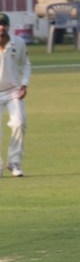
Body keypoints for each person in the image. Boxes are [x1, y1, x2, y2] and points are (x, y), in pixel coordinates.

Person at [0, 13, 31, 178]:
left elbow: (26, 64)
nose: (1, 28)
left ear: (8, 26)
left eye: (4, 24)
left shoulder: (18, 43)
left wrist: (24, 84)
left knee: (19, 123)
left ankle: (14, 161)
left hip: (13, 91)